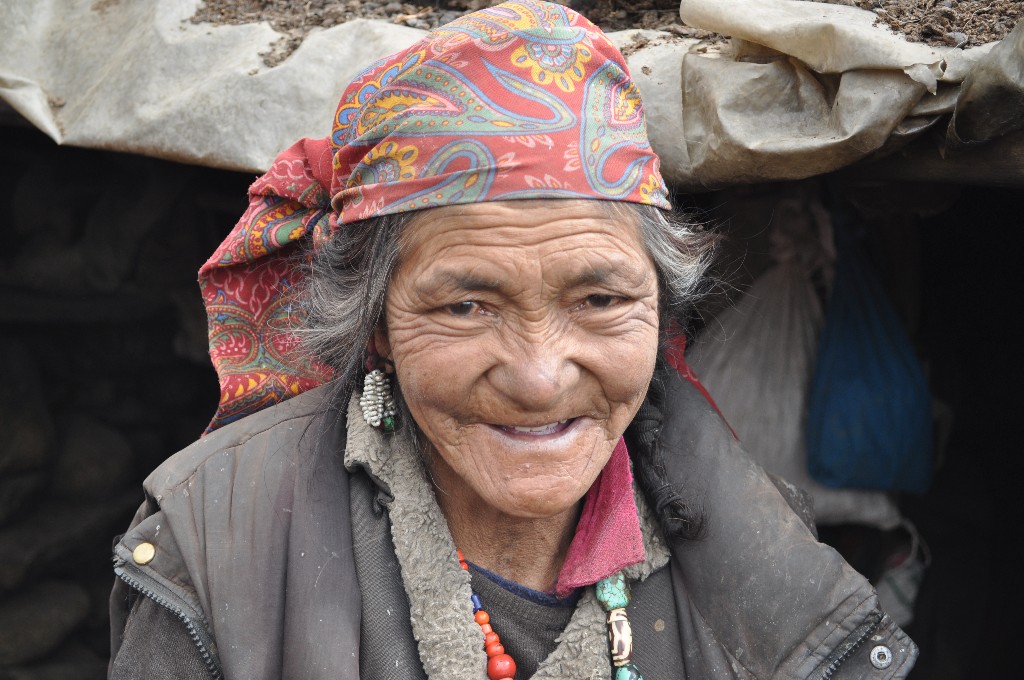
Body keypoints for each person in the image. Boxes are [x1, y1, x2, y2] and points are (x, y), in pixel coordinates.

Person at [108, 2, 917, 678]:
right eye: (466, 306)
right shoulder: (214, 548)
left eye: (599, 298)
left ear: (662, 307)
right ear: (377, 326)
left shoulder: (765, 552)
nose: (538, 376)